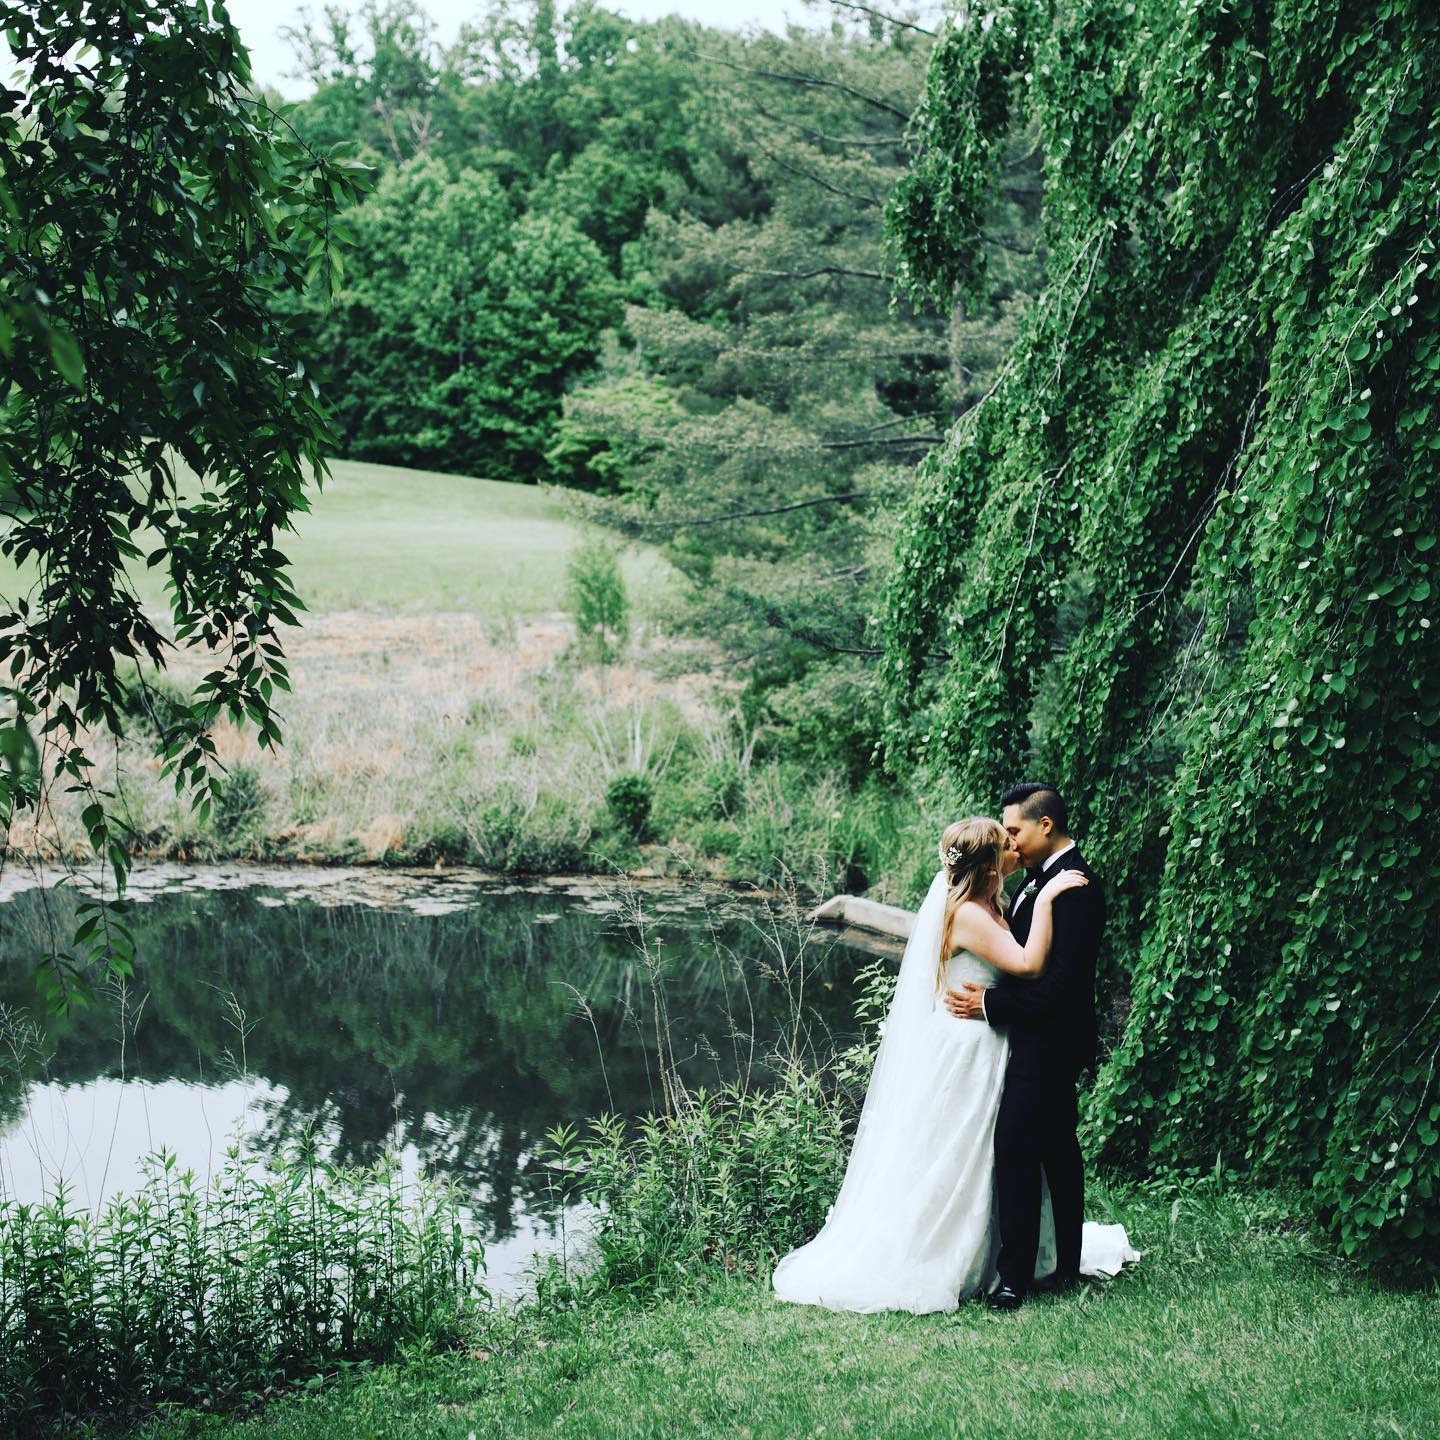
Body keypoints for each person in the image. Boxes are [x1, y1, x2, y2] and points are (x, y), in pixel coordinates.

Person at [771, 814, 1134, 1314]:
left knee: (987, 1155)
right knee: (958, 1152)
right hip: (968, 1048)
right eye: (1004, 844)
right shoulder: (966, 914)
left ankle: (1001, 1256)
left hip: (990, 1042)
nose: (1013, 847)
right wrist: (1049, 897)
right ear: (988, 864)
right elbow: (1027, 964)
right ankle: (946, 1254)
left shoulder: (991, 903)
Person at [943, 782, 1114, 1310]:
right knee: (1055, 1151)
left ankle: (1016, 1277)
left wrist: (992, 1007)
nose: (1009, 841)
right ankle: (1057, 1261)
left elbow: (1061, 985)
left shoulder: (1075, 886)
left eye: (1014, 830)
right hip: (1022, 1040)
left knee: (1021, 1149)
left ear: (1045, 826)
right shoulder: (1032, 883)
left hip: (1048, 1041)